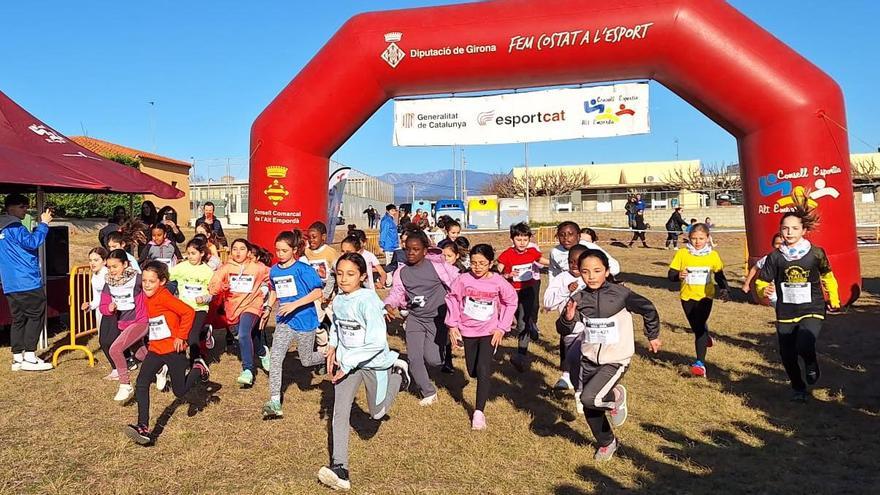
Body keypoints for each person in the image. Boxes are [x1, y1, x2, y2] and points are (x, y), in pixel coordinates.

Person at [318, 253, 410, 491]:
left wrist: (346, 361)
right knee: (339, 414)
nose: (344, 279)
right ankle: (340, 468)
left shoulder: (368, 300)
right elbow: (337, 326)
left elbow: (376, 343)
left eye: (350, 274)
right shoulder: (339, 300)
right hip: (348, 363)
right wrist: (332, 347)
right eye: (339, 274)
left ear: (361, 275)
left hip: (374, 363)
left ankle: (398, 374)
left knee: (377, 414)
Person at [559, 249, 661, 461]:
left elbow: (648, 309)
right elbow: (562, 329)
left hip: (616, 359)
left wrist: (652, 335)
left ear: (606, 271)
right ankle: (607, 442)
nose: (592, 276)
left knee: (589, 398)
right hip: (588, 358)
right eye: (586, 271)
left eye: (597, 270)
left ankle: (615, 396)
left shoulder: (620, 294)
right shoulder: (578, 297)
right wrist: (568, 318)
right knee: (589, 406)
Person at [755, 202, 840, 402]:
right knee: (787, 354)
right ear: (780, 231)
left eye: (794, 228)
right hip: (786, 311)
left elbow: (828, 276)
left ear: (804, 230)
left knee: (805, 342)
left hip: (812, 307)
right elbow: (761, 281)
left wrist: (834, 299)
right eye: (785, 228)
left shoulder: (816, 253)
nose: (789, 232)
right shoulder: (775, 257)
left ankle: (811, 363)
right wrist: (762, 289)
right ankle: (798, 388)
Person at [122, 261, 209, 446]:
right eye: (144, 280)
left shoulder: (164, 297)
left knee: (180, 391)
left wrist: (181, 336)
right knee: (142, 383)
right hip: (155, 349)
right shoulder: (146, 296)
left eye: (151, 281)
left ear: (162, 281)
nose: (146, 284)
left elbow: (188, 312)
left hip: (173, 350)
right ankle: (143, 427)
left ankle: (198, 369)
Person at [445, 244, 518, 430]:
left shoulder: (498, 281)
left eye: (482, 263)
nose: (477, 267)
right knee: (472, 370)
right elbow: (452, 299)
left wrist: (502, 327)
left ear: (491, 263)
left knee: (484, 369)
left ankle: (478, 412)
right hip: (468, 330)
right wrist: (452, 324)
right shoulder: (463, 279)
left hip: (489, 332)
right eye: (474, 263)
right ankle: (479, 375)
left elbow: (511, 301)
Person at [384, 230, 460, 406]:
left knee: (434, 360)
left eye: (416, 249)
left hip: (438, 318)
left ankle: (444, 347)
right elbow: (396, 293)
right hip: (415, 318)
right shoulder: (401, 272)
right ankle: (428, 391)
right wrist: (389, 304)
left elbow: (457, 284)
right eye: (408, 249)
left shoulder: (439, 267)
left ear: (425, 251)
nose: (411, 253)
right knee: (414, 357)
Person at [262, 230, 326, 418]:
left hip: (305, 321)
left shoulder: (303, 270)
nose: (280, 254)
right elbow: (274, 292)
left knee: (306, 360)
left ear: (294, 250)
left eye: (284, 250)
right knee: (275, 358)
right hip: (284, 322)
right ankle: (274, 401)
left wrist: (295, 304)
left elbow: (317, 293)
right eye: (277, 250)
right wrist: (267, 308)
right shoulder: (274, 270)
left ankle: (330, 355)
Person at [667, 223, 730, 377]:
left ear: (708, 238)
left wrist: (724, 289)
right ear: (689, 238)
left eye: (701, 238)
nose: (697, 242)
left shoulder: (712, 255)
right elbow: (670, 275)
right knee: (696, 326)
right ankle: (706, 337)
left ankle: (700, 364)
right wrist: (678, 276)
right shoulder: (682, 253)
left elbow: (719, 275)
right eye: (694, 238)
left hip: (705, 297)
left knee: (699, 328)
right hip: (686, 296)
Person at [0, 193, 54, 372]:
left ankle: (17, 357)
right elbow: (33, 242)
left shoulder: (2, 227)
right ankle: (30, 355)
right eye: (22, 207)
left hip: (10, 282)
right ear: (11, 208)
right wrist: (44, 224)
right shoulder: (15, 227)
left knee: (18, 319)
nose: (26, 210)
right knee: (35, 315)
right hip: (27, 281)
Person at [209, 238, 270, 387]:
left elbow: (273, 276)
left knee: (243, 334)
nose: (238, 252)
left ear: (249, 252)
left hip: (252, 305)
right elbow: (212, 287)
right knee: (245, 335)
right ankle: (262, 352)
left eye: (242, 249)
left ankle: (248, 370)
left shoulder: (257, 267)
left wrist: (265, 288)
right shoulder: (226, 268)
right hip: (233, 309)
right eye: (235, 249)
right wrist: (223, 286)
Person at [497, 223, 550, 372]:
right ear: (512, 239)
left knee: (522, 322)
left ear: (529, 240)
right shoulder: (507, 254)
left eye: (525, 239)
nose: (521, 242)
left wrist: (556, 264)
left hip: (527, 290)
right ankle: (530, 325)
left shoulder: (532, 251)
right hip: (512, 293)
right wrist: (507, 275)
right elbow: (498, 271)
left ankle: (521, 355)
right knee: (518, 319)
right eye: (518, 239)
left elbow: (541, 260)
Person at [99, 249, 149, 401]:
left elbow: (155, 286)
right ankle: (161, 367)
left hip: (140, 321)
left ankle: (125, 385)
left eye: (115, 266)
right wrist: (108, 309)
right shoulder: (108, 283)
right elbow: (103, 305)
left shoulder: (137, 279)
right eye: (109, 267)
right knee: (140, 354)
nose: (111, 270)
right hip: (122, 324)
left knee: (115, 349)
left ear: (125, 264)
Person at [543, 243, 588, 394]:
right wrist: (565, 290)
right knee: (573, 360)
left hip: (590, 328)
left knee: (587, 361)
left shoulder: (592, 277)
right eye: (571, 261)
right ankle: (571, 381)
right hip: (569, 328)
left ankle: (583, 391)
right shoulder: (562, 278)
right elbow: (548, 301)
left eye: (579, 261)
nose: (574, 265)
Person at [170, 238, 214, 366]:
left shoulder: (208, 271)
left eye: (193, 253)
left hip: (200, 308)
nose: (190, 257)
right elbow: (168, 277)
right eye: (188, 253)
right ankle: (204, 332)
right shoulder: (181, 267)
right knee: (181, 334)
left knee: (192, 335)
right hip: (183, 308)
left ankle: (195, 362)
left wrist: (204, 298)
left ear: (202, 254)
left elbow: (212, 293)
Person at [301, 221, 339, 362]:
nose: (311, 240)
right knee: (315, 322)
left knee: (337, 321)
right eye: (309, 237)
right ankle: (323, 347)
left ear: (323, 237)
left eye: (314, 237)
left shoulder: (331, 253)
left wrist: (329, 294)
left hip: (330, 295)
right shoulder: (306, 252)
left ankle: (338, 348)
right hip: (315, 295)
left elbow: (336, 274)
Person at [549, 221, 620, 283]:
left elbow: (614, 267)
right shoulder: (555, 252)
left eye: (570, 234)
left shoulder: (590, 248)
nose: (566, 238)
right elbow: (553, 272)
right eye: (562, 235)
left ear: (578, 236)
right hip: (570, 290)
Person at [743, 233, 785, 306]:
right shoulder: (768, 258)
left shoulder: (793, 258)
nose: (780, 246)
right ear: (773, 245)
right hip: (773, 291)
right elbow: (754, 268)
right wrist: (747, 284)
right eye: (777, 243)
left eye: (783, 243)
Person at [81, 247, 110, 351]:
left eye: (96, 260)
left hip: (111, 311)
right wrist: (90, 305)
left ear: (104, 261)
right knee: (102, 339)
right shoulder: (94, 276)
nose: (92, 263)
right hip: (100, 311)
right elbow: (97, 298)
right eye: (90, 260)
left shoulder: (108, 275)